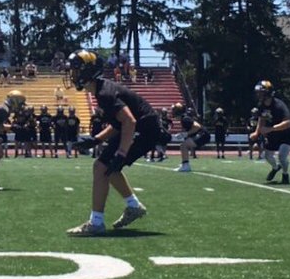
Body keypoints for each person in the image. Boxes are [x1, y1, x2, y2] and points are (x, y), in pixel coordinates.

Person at [65, 50, 161, 236]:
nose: (72, 76)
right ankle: (133, 206)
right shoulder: (102, 91)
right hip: (140, 127)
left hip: (145, 130)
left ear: (87, 71)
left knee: (102, 167)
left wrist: (121, 153)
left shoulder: (105, 93)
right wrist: (97, 139)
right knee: (105, 167)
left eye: (75, 71)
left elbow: (129, 122)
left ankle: (97, 223)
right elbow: (119, 123)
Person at [251, 81, 290, 184]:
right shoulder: (261, 105)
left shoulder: (279, 105)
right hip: (273, 133)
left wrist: (271, 129)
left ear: (268, 93)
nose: (258, 95)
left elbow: (288, 123)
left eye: (261, 92)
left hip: (286, 133)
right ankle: (276, 168)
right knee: (267, 155)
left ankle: (285, 174)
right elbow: (261, 119)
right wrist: (257, 132)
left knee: (282, 156)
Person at [172, 103, 210, 173]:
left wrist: (186, 134)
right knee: (184, 145)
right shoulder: (184, 119)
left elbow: (197, 126)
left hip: (202, 135)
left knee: (183, 146)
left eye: (174, 110)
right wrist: (183, 134)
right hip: (202, 135)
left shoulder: (185, 118)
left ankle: (186, 166)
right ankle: (184, 164)